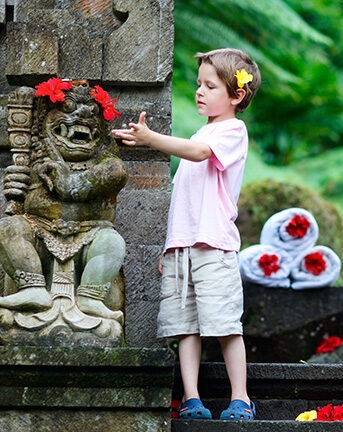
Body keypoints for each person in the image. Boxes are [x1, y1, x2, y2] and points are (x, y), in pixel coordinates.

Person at [112, 48, 261, 421]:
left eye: (210, 86)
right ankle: (192, 398)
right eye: (199, 84)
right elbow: (184, 202)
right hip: (182, 248)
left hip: (214, 246)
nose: (200, 91)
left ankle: (240, 398)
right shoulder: (203, 130)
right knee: (184, 326)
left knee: (225, 324)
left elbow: (197, 153)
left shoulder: (231, 131)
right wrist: (169, 247)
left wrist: (152, 139)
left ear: (236, 95)